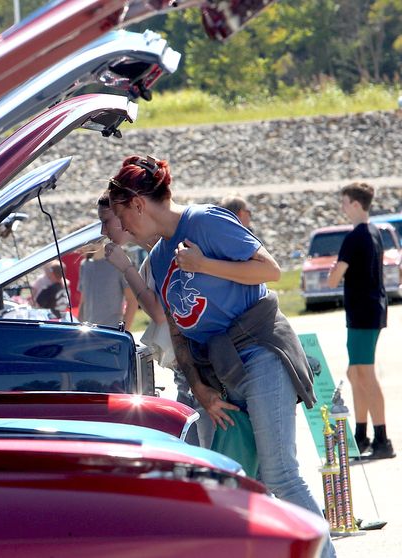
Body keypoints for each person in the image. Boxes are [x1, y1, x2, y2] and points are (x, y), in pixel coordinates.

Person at [103, 154, 335, 557]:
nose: (122, 226)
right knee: (240, 481)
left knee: (280, 475)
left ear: (139, 204)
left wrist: (202, 263)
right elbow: (176, 329)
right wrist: (199, 389)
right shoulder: (158, 257)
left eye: (123, 215)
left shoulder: (205, 221)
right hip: (218, 377)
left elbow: (269, 270)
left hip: (259, 353)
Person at [98, 192, 214, 448]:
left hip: (202, 369)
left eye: (108, 220)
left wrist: (126, 268)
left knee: (206, 454)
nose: (104, 230)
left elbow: (160, 313)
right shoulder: (154, 254)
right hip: (186, 369)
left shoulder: (164, 250)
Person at [326, 182, 394, 460]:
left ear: (355, 204)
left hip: (364, 313)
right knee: (355, 374)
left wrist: (334, 269)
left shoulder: (355, 236)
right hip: (367, 311)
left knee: (365, 374)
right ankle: (361, 434)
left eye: (344, 202)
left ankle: (382, 439)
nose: (342, 207)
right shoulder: (375, 231)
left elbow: (333, 279)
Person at [78, 240, 136, 329]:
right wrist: (78, 329)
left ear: (91, 242)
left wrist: (123, 333)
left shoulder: (118, 262)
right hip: (89, 333)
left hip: (112, 332)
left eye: (80, 245)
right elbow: (83, 301)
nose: (78, 250)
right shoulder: (84, 265)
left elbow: (132, 301)